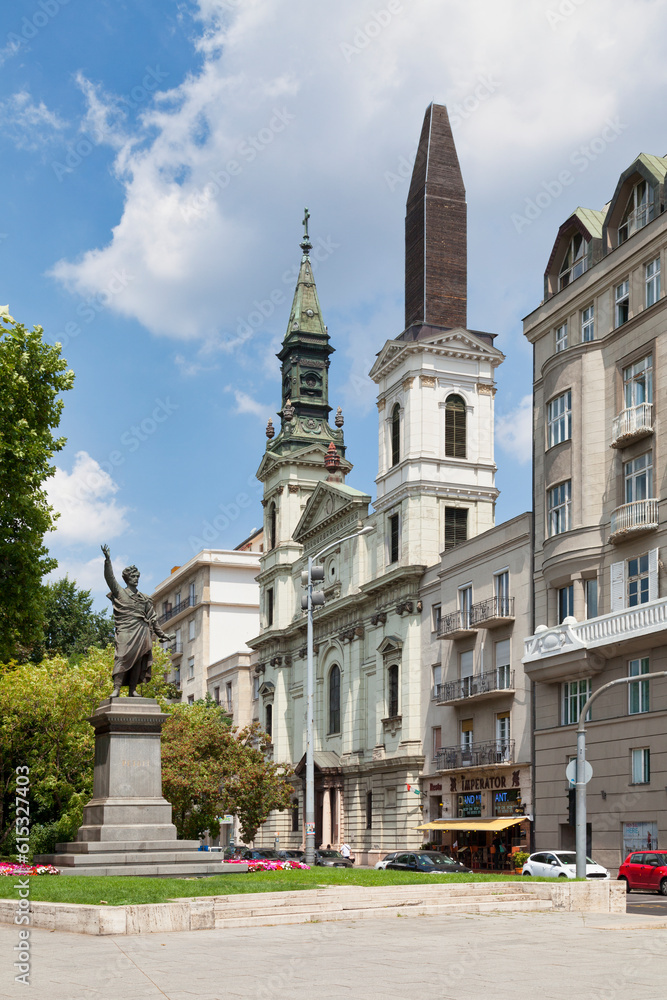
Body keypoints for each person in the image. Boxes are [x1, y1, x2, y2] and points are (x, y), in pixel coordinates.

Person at [101, 544, 175, 697]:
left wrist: (162, 635)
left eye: (137, 577)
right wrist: (108, 560)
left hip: (141, 632)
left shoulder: (144, 598)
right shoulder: (120, 593)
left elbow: (153, 617)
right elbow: (110, 578)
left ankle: (132, 690)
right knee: (121, 657)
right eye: (133, 577)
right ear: (127, 578)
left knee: (137, 661)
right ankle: (117, 688)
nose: (136, 579)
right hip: (125, 631)